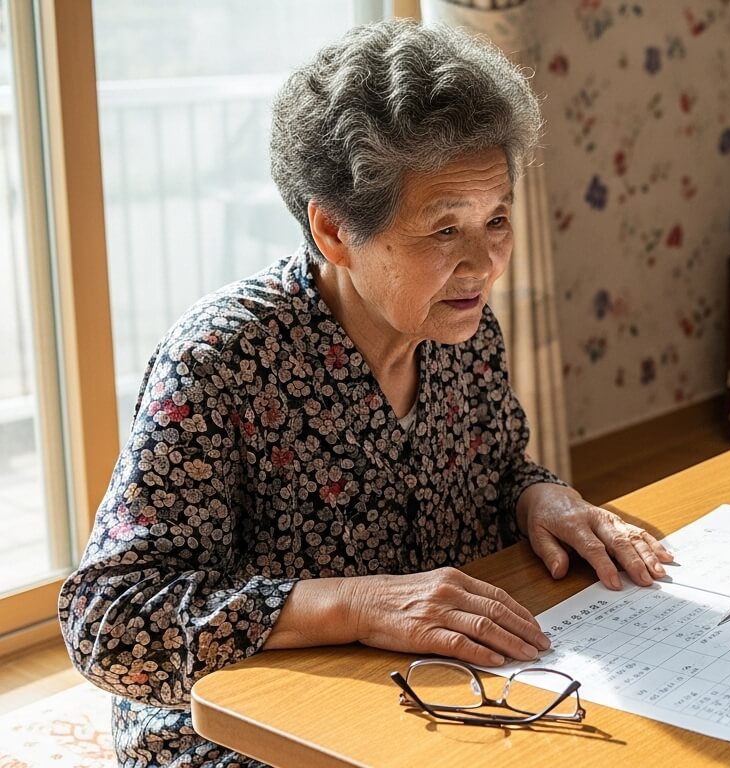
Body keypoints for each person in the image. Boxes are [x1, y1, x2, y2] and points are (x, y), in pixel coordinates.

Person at [58, 20, 672, 767]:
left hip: (430, 695)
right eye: (445, 229)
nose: (483, 263)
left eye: (498, 219)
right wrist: (354, 602)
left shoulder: (462, 327)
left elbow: (499, 467)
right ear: (334, 230)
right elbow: (109, 624)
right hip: (245, 732)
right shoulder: (221, 360)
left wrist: (539, 497)